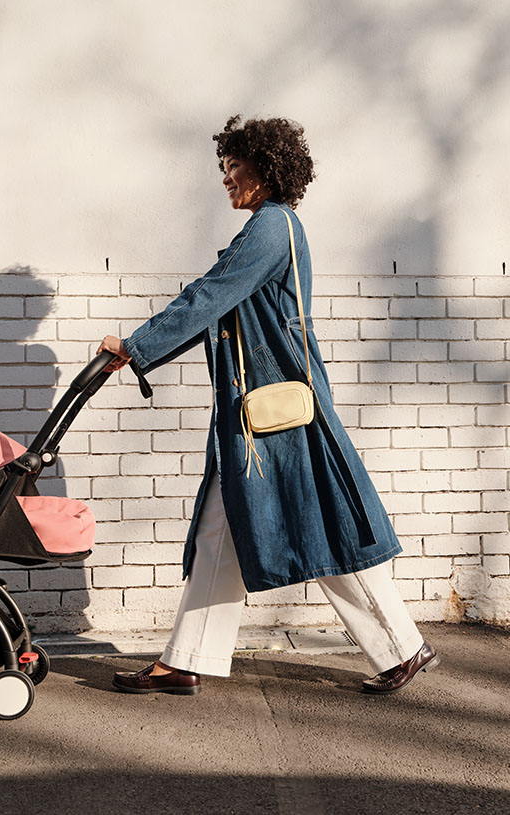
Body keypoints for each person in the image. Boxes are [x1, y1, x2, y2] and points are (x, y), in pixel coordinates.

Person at [97, 115, 438, 697]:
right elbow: (215, 304)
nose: (227, 178)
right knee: (221, 525)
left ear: (265, 168)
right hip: (261, 410)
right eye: (225, 168)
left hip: (278, 411)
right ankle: (186, 659)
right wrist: (138, 354)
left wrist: (137, 345)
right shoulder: (269, 227)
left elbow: (210, 293)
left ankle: (401, 646)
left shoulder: (272, 226)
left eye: (234, 167)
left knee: (324, 520)